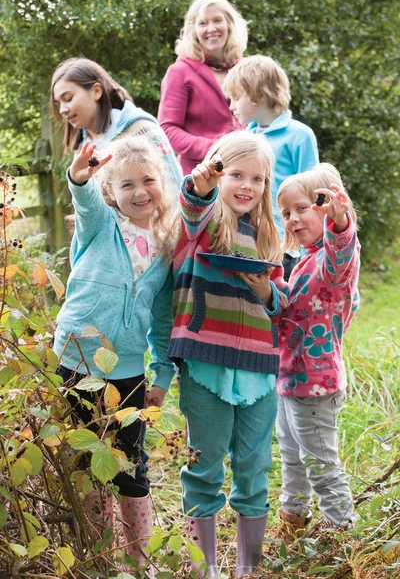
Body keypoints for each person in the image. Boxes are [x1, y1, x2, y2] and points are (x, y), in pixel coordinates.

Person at [160, 131, 287, 578]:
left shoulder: (270, 237)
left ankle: (246, 569)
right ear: (219, 172)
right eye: (236, 174)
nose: (246, 186)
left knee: (254, 469)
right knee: (205, 464)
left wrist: (267, 290)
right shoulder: (208, 223)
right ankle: (204, 568)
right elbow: (193, 209)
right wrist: (201, 185)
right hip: (206, 363)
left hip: (258, 369)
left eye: (257, 178)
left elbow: (280, 302)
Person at [53, 135, 176, 575]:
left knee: (130, 468)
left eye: (148, 181)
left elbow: (163, 319)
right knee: (90, 464)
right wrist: (80, 176)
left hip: (127, 372)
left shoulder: (165, 247)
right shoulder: (100, 224)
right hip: (77, 361)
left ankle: (138, 563)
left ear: (162, 183)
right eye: (127, 185)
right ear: (111, 192)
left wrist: (161, 375)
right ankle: (99, 558)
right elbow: (84, 199)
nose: (140, 192)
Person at [272, 163, 360, 541]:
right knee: (291, 457)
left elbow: (341, 248)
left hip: (316, 388)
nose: (292, 219)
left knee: (320, 464)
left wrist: (338, 220)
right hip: (289, 380)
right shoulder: (304, 260)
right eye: (286, 212)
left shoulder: (331, 262)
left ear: (326, 207)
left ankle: (341, 534)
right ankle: (293, 519)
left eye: (302, 208)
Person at [223, 55, 320, 280]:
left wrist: (310, 251)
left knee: (279, 306)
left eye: (237, 98)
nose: (231, 106)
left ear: (260, 96)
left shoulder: (299, 136)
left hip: (283, 246)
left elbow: (313, 197)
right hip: (245, 240)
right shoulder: (244, 137)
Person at [50, 56, 182, 188]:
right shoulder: (82, 147)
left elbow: (175, 187)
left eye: (68, 98)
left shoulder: (141, 129)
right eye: (58, 103)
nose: (62, 110)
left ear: (96, 91)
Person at [157, 0, 248, 176]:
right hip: (200, 176)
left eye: (217, 20)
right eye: (203, 23)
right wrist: (216, 148)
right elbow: (167, 130)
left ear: (229, 24)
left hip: (245, 172)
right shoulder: (180, 72)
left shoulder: (246, 68)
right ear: (193, 30)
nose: (211, 28)